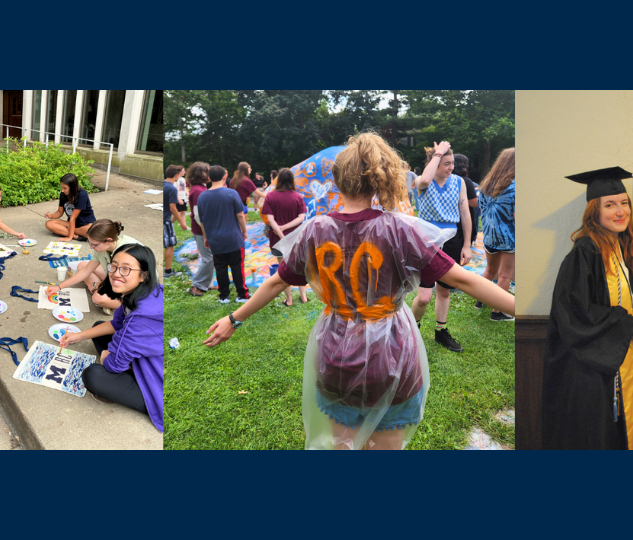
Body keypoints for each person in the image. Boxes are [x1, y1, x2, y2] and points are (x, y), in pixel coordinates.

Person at [202, 133, 515, 450]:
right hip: (393, 356)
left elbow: (275, 282)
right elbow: (464, 280)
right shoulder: (400, 229)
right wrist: (522, 309)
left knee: (342, 445)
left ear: (336, 180)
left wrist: (234, 318)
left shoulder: (315, 230)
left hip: (336, 356)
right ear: (384, 177)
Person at [542, 167, 633, 450]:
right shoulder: (586, 251)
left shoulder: (618, 246)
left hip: (615, 363)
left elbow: (621, 297)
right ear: (595, 212)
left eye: (624, 203)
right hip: (589, 371)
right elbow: (575, 313)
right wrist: (625, 323)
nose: (620, 211)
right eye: (610, 205)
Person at [60, 244, 163, 432]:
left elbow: (114, 364)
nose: (116, 273)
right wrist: (78, 336)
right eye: (114, 266)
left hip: (157, 383)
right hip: (146, 358)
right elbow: (116, 324)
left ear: (144, 275)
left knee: (93, 375)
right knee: (99, 327)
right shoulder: (141, 292)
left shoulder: (140, 317)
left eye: (126, 269)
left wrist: (107, 356)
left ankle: (137, 392)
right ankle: (127, 367)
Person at [410, 142, 472, 352]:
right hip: (428, 242)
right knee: (424, 296)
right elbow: (425, 179)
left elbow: (465, 214)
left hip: (452, 240)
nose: (451, 167)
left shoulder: (459, 182)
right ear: (434, 163)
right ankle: (412, 330)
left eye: (452, 163)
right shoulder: (421, 181)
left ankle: (441, 331)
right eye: (446, 163)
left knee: (444, 291)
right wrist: (437, 153)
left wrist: (467, 245)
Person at [46, 219, 140, 315]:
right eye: (90, 243)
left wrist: (98, 285)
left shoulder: (125, 252)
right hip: (114, 279)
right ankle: (107, 298)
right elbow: (86, 270)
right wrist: (59, 287)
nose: (91, 247)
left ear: (109, 240)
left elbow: (129, 284)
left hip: (133, 290)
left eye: (94, 244)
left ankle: (126, 305)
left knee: (98, 298)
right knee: (82, 265)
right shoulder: (105, 246)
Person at [197, 165, 249, 303]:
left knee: (220, 268)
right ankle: (242, 295)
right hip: (234, 239)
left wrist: (206, 238)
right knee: (238, 267)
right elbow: (240, 215)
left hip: (215, 239)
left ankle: (224, 296)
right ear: (225, 176)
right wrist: (244, 231)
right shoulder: (232, 193)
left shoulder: (202, 196)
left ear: (208, 178)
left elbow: (202, 221)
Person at [475, 148, 515, 322]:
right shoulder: (514, 187)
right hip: (508, 237)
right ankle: (498, 312)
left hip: (489, 234)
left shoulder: (485, 185)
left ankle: (480, 300)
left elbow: (481, 207)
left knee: (490, 269)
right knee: (505, 275)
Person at [261, 167, 307, 305]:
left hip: (277, 240)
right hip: (295, 238)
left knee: (283, 269)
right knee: (299, 266)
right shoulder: (298, 197)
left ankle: (289, 299)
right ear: (292, 180)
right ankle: (303, 296)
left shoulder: (270, 196)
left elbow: (270, 219)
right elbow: (301, 218)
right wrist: (286, 230)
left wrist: (281, 235)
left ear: (278, 180)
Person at [186, 162, 217, 296]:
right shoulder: (198, 190)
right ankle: (196, 286)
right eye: (208, 171)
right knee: (208, 258)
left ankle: (207, 283)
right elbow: (199, 215)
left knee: (211, 257)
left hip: (204, 229)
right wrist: (206, 232)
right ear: (202, 173)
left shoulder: (201, 188)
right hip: (201, 230)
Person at [44, 173, 96, 240]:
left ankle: (69, 232)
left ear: (72, 188)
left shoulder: (82, 195)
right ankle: (78, 236)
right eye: (62, 187)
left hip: (85, 224)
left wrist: (69, 237)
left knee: (91, 230)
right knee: (49, 224)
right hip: (71, 224)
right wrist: (51, 216)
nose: (62, 190)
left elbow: (73, 218)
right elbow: (60, 212)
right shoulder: (63, 194)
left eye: (65, 188)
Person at [453, 153, 480, 241]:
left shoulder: (446, 179)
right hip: (463, 223)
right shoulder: (465, 181)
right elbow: (473, 203)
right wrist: (480, 196)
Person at [164, 165, 183, 279]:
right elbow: (173, 208)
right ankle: (168, 271)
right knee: (169, 245)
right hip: (165, 220)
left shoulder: (164, 184)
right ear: (176, 175)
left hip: (163, 219)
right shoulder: (171, 188)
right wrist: (182, 222)